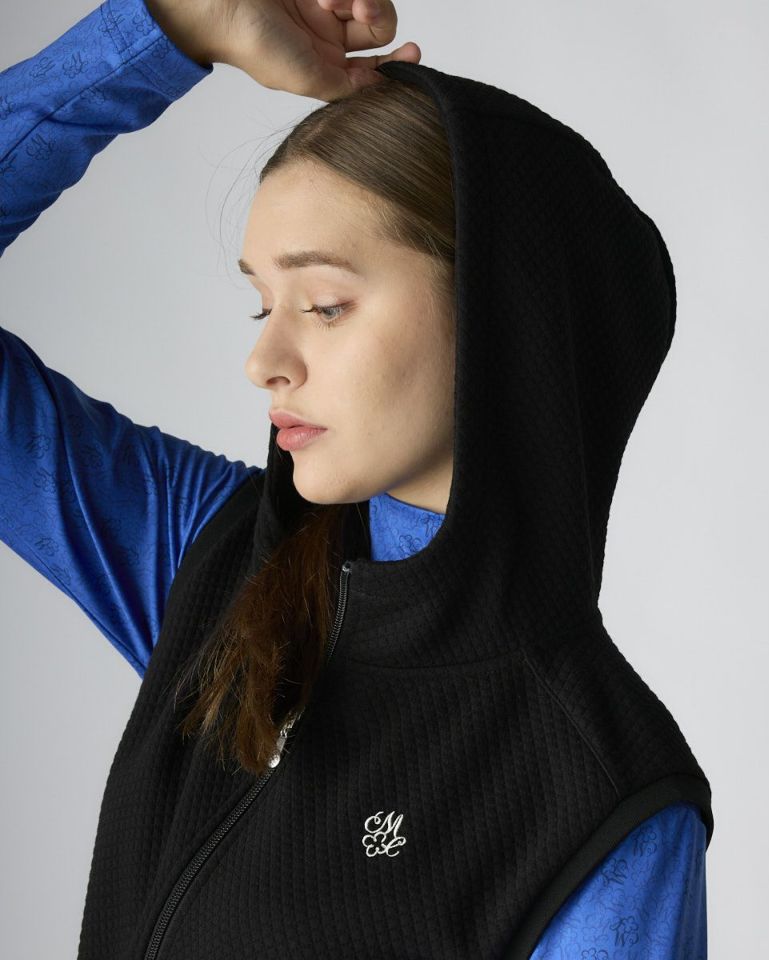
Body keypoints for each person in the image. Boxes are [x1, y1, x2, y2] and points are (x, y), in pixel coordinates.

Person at [0, 0, 712, 957]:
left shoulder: (598, 798)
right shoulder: (210, 560)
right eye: (261, 305)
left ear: (499, 314)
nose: (264, 362)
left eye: (326, 305)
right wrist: (169, 27)